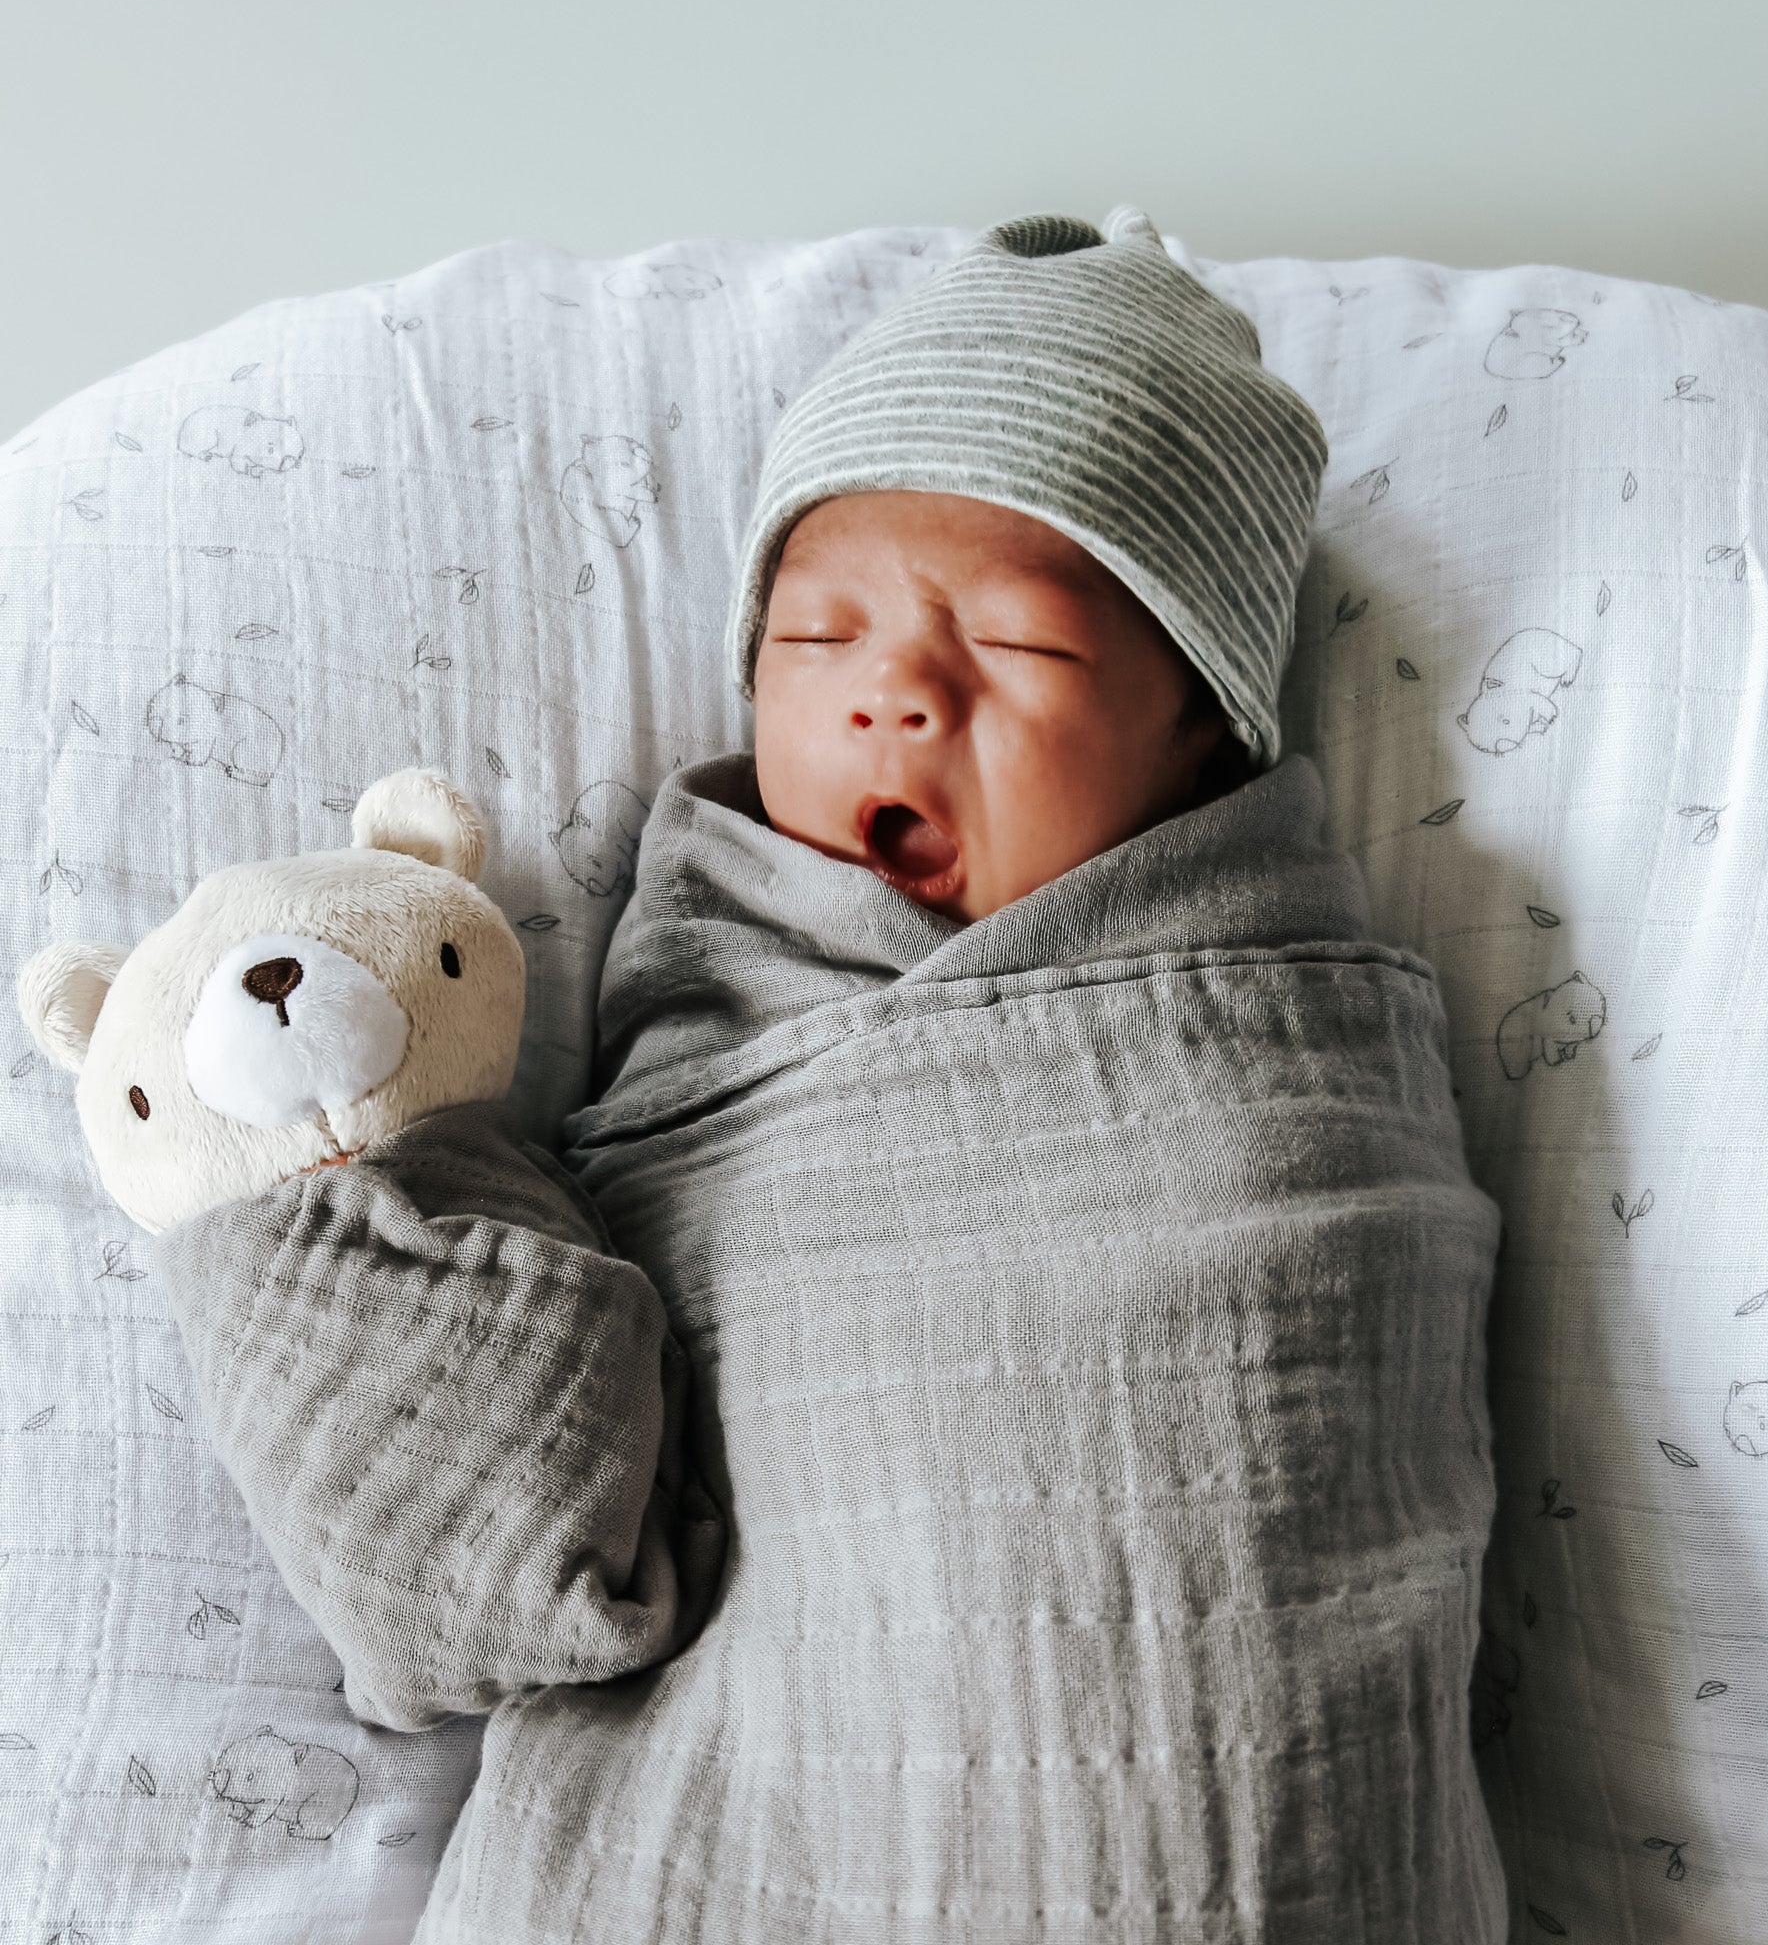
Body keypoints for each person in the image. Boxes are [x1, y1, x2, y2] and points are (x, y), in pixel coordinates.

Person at [159, 206, 1510, 1943]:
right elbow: (502, 1570)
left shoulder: (1296, 1072)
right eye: (820, 639)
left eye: (1019, 648)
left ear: (1210, 739)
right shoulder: (706, 1048)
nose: (897, 695)